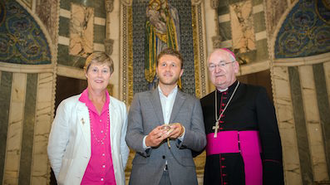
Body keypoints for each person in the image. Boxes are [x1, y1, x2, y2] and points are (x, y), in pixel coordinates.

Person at [200, 48, 284, 185]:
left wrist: (272, 177)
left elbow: (271, 140)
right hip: (214, 175)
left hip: (248, 171)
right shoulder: (203, 103)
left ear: (235, 67)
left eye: (222, 64)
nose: (217, 70)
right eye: (212, 66)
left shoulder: (256, 94)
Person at [126, 48, 206, 185]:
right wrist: (147, 141)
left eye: (173, 65)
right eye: (163, 64)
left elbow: (201, 141)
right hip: (145, 175)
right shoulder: (140, 99)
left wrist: (182, 133)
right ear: (156, 70)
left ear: (181, 72)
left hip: (182, 176)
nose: (168, 69)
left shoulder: (193, 102)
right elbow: (131, 136)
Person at [47, 52, 129, 185]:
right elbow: (55, 150)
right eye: (95, 70)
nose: (99, 75)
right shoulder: (68, 106)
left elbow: (122, 149)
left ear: (110, 75)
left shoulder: (120, 108)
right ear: (86, 73)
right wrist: (65, 178)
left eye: (105, 71)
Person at [145, 0, 181, 89]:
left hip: (167, 42)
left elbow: (172, 26)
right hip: (155, 43)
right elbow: (149, 28)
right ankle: (155, 82)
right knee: (158, 58)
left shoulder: (170, 11)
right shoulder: (151, 16)